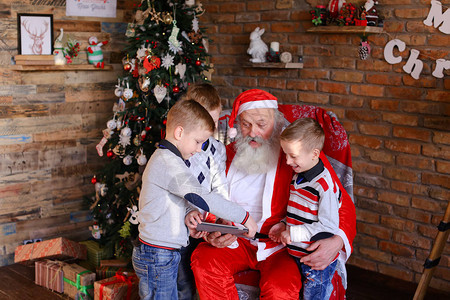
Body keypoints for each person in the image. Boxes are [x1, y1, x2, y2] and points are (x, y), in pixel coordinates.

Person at [191, 89, 356, 299]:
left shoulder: (296, 155)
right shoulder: (226, 153)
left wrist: (337, 240)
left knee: (280, 289)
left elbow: (342, 204)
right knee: (204, 261)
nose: (253, 132)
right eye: (246, 124)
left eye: (262, 124)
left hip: (280, 246)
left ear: (276, 123)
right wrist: (213, 229)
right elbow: (210, 197)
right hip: (236, 240)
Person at [132, 99, 257, 300]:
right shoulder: (168, 163)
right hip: (157, 254)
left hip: (163, 252)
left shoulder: (171, 160)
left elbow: (172, 200)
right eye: (198, 142)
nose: (200, 149)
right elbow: (200, 195)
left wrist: (190, 214)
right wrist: (243, 216)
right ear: (179, 133)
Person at [269, 118, 341, 300]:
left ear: (314, 154)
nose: (287, 161)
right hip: (298, 254)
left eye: (293, 156)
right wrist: (284, 224)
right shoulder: (298, 176)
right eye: (286, 154)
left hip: (316, 261)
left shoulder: (323, 186)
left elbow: (329, 226)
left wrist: (293, 233)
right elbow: (300, 211)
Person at [177, 83, 228, 300]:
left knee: (202, 279)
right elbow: (176, 190)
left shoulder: (218, 149)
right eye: (207, 122)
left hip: (206, 224)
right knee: (182, 282)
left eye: (215, 122)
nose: (211, 128)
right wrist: (188, 214)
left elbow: (220, 187)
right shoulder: (179, 149)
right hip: (181, 225)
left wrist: (224, 215)